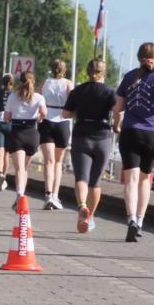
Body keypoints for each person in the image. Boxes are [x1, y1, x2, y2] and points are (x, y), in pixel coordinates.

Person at [113, 42, 154, 242]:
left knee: (131, 179)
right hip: (153, 134)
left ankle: (130, 219)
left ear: (138, 57)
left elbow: (118, 107)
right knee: (145, 180)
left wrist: (117, 124)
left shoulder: (129, 77)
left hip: (130, 132)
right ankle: (140, 221)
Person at [62, 59, 116, 233]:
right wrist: (117, 125)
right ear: (104, 72)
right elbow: (118, 111)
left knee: (81, 178)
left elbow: (65, 114)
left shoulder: (78, 91)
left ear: (87, 71)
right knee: (95, 181)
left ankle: (82, 206)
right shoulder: (110, 92)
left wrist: (79, 112)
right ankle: (90, 217)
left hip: (82, 135)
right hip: (103, 136)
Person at [3, 71, 47, 211]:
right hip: (32, 133)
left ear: (20, 82)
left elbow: (6, 117)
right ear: (33, 81)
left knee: (19, 169)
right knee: (25, 169)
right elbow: (44, 113)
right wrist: (39, 118)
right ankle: (21, 194)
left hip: (17, 133)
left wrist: (10, 117)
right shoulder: (39, 97)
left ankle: (20, 194)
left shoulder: (12, 96)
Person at [39, 59, 73, 210]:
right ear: (64, 70)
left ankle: (48, 194)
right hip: (62, 121)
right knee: (58, 162)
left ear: (51, 69)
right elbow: (73, 102)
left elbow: (37, 99)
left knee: (48, 161)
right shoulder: (68, 84)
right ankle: (55, 195)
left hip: (46, 121)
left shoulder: (44, 83)